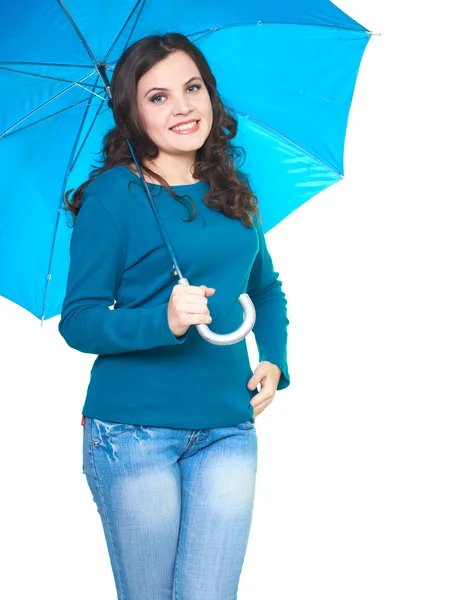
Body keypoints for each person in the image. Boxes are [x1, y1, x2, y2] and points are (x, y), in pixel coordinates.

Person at [58, 32, 290, 600]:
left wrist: (275, 362)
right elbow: (79, 320)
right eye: (157, 96)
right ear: (132, 113)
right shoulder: (112, 196)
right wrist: (162, 320)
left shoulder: (230, 191)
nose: (182, 106)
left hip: (228, 426)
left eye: (191, 87)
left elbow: (266, 290)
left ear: (210, 93)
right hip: (133, 432)